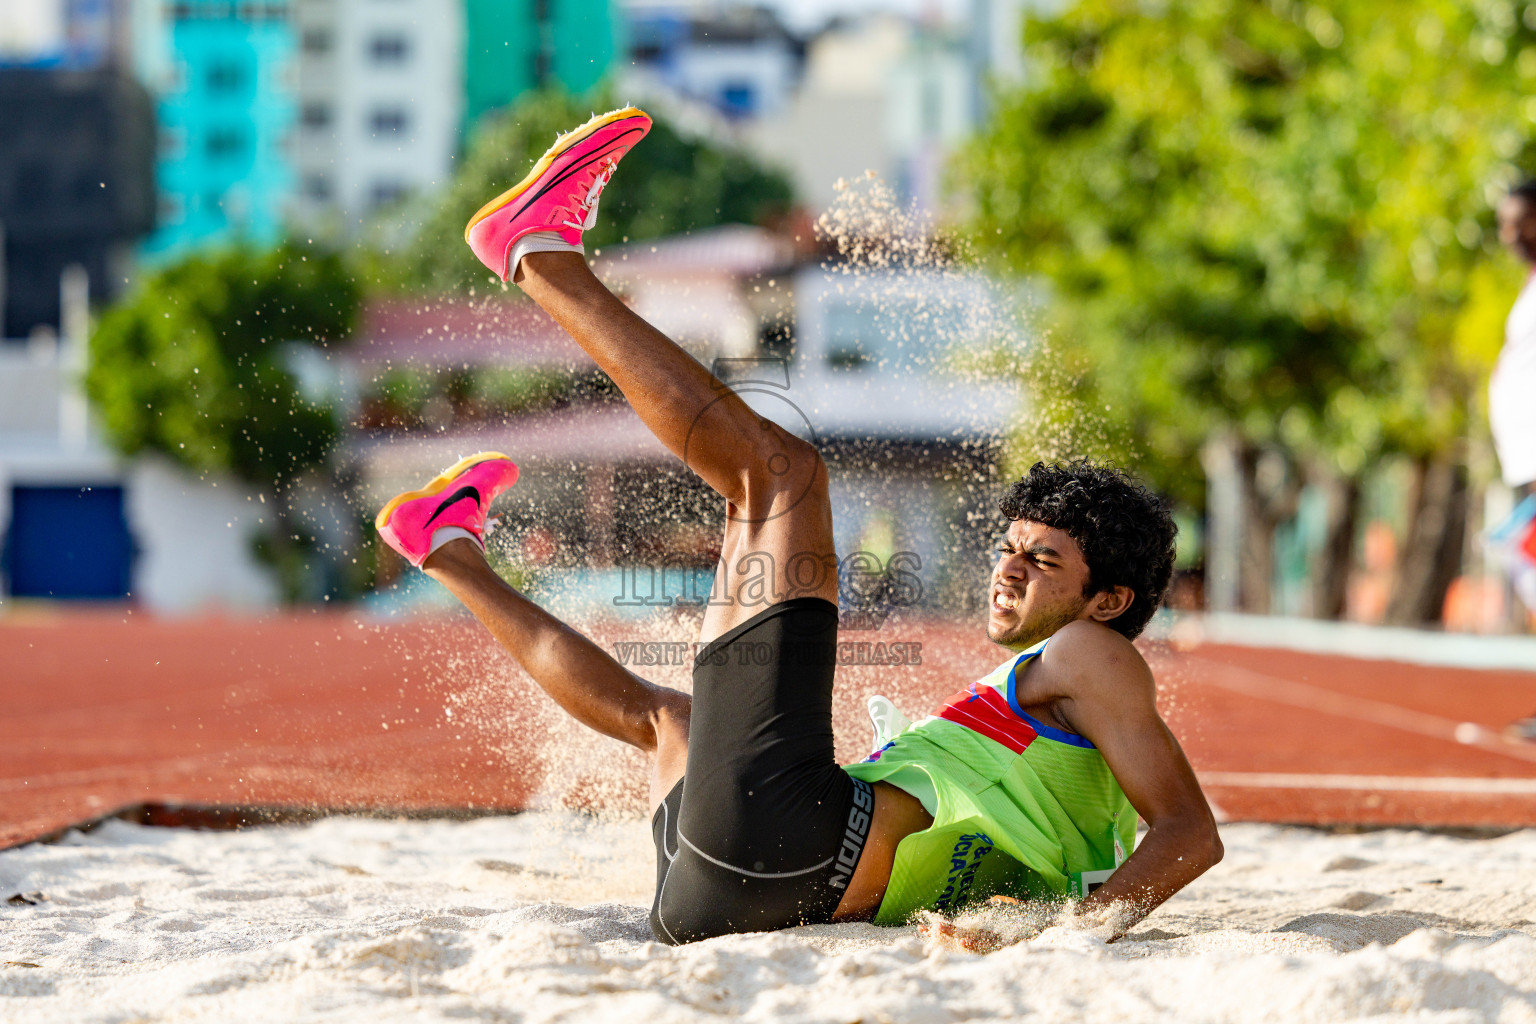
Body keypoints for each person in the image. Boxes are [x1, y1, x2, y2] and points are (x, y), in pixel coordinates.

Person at [374, 107, 1223, 946]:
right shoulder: (1065, 722)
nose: (1007, 570)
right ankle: (447, 549)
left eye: (1042, 560)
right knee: (667, 720)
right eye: (1009, 548)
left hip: (789, 848)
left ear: (1109, 600)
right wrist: (1039, 921)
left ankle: (540, 255)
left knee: (781, 480)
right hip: (715, 895)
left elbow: (1188, 831)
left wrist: (1066, 935)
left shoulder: (1091, 652)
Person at [1494, 183, 1536, 741]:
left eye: (1523, 221)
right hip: (1523, 466)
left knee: (1523, 557)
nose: (1511, 234)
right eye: (1505, 223)